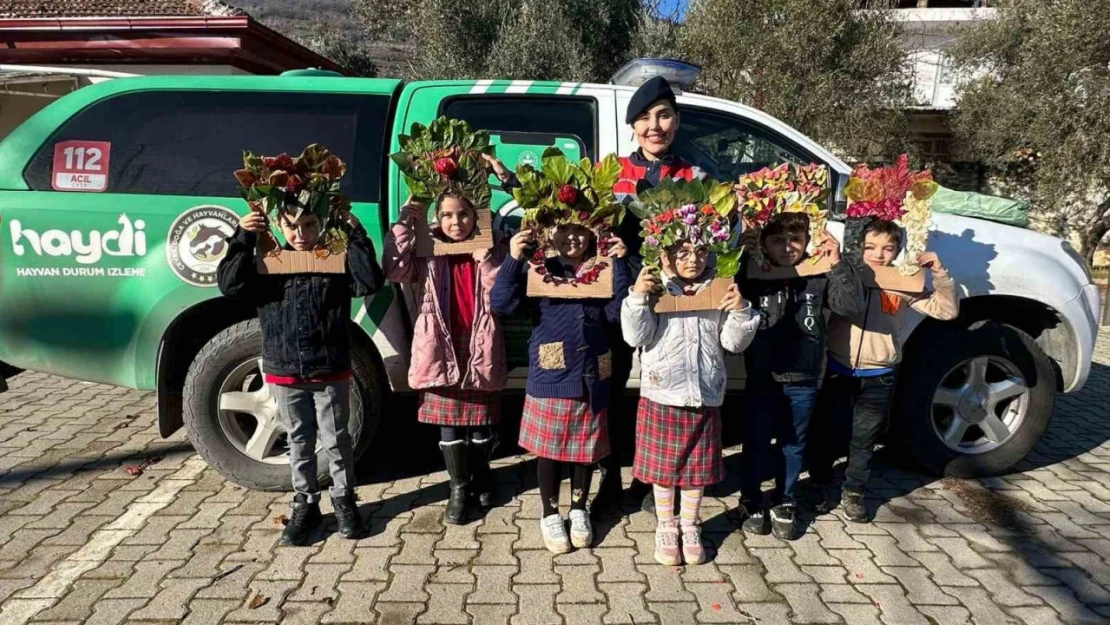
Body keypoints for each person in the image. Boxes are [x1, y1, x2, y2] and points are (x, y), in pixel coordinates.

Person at [483, 75, 704, 519]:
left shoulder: (695, 177)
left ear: (676, 121)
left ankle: (650, 474)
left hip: (676, 301)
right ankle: (611, 475)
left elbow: (714, 234)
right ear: (633, 127)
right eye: (644, 119)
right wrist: (509, 182)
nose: (654, 126)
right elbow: (558, 207)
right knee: (612, 388)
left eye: (663, 116)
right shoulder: (612, 176)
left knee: (658, 391)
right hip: (618, 299)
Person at [217, 204, 382, 546]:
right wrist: (243, 235)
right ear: (277, 225)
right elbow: (230, 284)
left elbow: (368, 281)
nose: (301, 234)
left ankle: (344, 500)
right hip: (285, 367)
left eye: (309, 224)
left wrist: (355, 235)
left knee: (336, 438)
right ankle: (306, 503)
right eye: (291, 226)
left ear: (322, 223)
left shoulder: (332, 258)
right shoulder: (267, 261)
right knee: (299, 440)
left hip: (329, 366)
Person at [490, 224, 632, 553]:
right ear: (550, 233)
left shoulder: (601, 266)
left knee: (586, 451)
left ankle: (579, 508)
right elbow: (502, 304)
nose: (573, 239)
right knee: (550, 450)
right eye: (564, 231)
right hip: (552, 373)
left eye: (581, 231)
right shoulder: (540, 268)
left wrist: (620, 264)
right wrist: (512, 259)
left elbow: (618, 313)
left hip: (592, 373)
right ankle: (550, 512)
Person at [808, 219, 958, 522]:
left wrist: (940, 273)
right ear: (859, 248)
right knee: (826, 434)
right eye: (871, 247)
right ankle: (820, 485)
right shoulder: (846, 273)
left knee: (864, 439)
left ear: (897, 251)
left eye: (888, 249)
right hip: (839, 368)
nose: (878, 254)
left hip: (880, 374)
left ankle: (854, 492)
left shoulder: (903, 281)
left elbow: (947, 310)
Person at [622, 243, 759, 565]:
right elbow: (635, 337)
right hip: (663, 393)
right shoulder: (654, 285)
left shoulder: (720, 286)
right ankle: (667, 525)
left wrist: (741, 311)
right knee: (664, 470)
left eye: (700, 251)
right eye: (682, 252)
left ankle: (690, 524)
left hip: (703, 393)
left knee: (697, 470)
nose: (693, 259)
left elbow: (732, 343)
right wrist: (638, 298)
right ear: (663, 254)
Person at [738, 213, 865, 540]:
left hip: (804, 377)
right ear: (764, 243)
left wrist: (836, 262)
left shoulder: (816, 274)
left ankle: (785, 498)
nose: (787, 247)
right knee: (756, 440)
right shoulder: (754, 273)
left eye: (795, 239)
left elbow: (850, 305)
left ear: (808, 240)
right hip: (763, 374)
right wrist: (744, 245)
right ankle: (750, 496)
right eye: (777, 240)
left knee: (793, 444)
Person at [383, 193, 509, 526]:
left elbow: (503, 292)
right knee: (449, 420)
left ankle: (482, 475)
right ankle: (458, 486)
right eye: (448, 216)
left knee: (482, 418)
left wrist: (487, 261)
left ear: (476, 216)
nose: (456, 223)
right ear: (437, 217)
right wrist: (404, 224)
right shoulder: (428, 248)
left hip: (479, 340)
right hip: (440, 342)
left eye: (464, 215)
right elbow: (396, 269)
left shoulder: (491, 245)